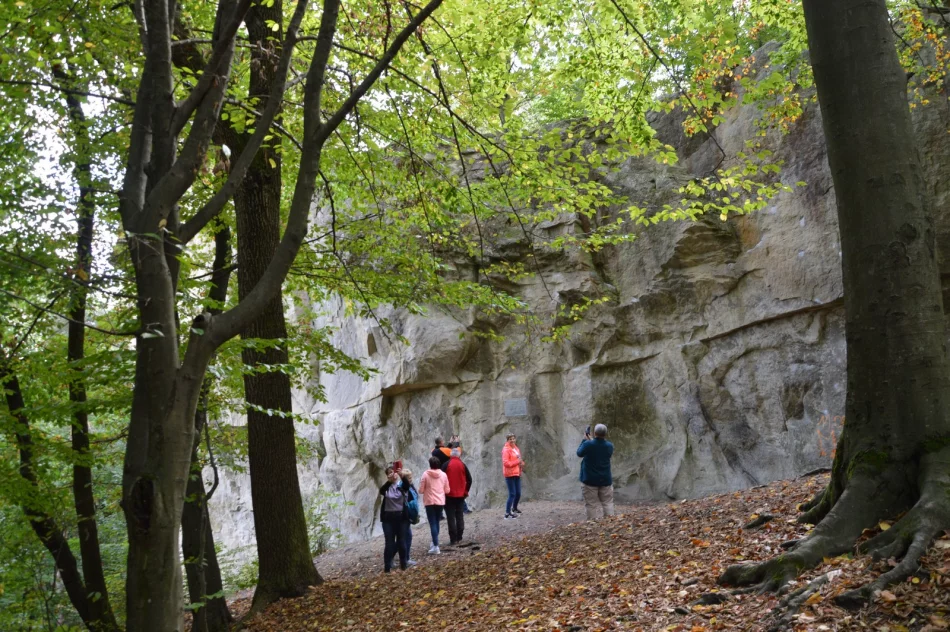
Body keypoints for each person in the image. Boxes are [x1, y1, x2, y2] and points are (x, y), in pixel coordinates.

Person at [577, 424, 615, 520]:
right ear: (605, 434)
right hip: (605, 479)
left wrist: (585, 440)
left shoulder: (588, 444)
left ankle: (593, 526)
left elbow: (579, 453)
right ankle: (610, 523)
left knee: (591, 505)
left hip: (590, 480)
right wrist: (591, 441)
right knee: (608, 503)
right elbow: (598, 447)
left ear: (595, 433)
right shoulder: (609, 446)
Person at [378, 465, 410, 572]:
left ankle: (403, 564)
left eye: (394, 472)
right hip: (388, 519)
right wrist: (389, 481)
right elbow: (381, 490)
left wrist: (402, 476)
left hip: (401, 518)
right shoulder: (386, 488)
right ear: (387, 476)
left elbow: (407, 486)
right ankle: (387, 567)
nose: (393, 474)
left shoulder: (402, 485)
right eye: (390, 473)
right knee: (389, 543)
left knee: (401, 541)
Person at [417, 456, 451, 554]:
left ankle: (435, 546)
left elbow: (421, 490)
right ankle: (434, 543)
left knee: (432, 523)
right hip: (440, 501)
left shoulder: (425, 474)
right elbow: (447, 490)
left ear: (430, 464)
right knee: (436, 522)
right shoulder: (444, 475)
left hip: (429, 502)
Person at [441, 448, 472, 545]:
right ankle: (460, 536)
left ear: (451, 455)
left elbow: (441, 479)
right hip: (460, 495)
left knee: (450, 517)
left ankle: (453, 539)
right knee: (459, 515)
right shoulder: (462, 465)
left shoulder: (446, 464)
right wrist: (466, 491)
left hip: (448, 495)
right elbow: (470, 479)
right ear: (459, 455)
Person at [502, 433, 525, 519]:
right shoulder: (506, 449)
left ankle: (514, 508)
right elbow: (506, 463)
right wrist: (517, 462)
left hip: (517, 473)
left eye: (513, 438)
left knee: (518, 493)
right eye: (510, 439)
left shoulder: (516, 448)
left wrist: (521, 463)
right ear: (507, 440)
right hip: (509, 474)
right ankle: (507, 513)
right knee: (512, 494)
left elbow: (518, 458)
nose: (512, 440)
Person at [400, 469, 420, 566]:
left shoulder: (410, 487)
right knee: (406, 537)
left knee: (406, 537)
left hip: (408, 514)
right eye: (408, 478)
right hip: (403, 515)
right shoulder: (403, 486)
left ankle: (405, 558)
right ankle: (405, 559)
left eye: (411, 477)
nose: (410, 479)